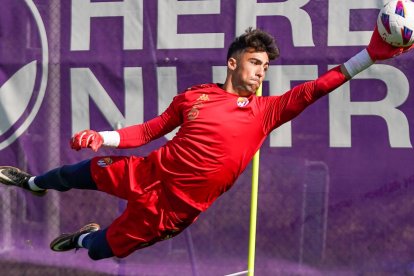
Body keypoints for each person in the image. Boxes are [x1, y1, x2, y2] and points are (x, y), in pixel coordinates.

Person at [0, 26, 412, 261]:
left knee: (99, 252)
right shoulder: (194, 96)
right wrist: (101, 136)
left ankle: (84, 237)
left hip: (174, 209)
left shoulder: (266, 111)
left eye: (265, 67)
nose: (260, 72)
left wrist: (368, 57)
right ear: (233, 62)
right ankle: (32, 182)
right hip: (149, 170)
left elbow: (317, 88)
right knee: (79, 173)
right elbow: (148, 131)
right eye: (255, 62)